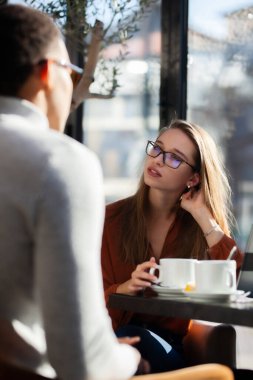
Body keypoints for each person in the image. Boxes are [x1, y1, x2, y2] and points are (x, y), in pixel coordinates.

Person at [0, 4, 143, 380]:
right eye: (72, 71)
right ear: (48, 72)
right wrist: (130, 361)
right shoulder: (58, 161)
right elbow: (81, 365)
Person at [101, 119, 244, 373]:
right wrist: (124, 289)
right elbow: (86, 299)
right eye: (157, 148)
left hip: (168, 348)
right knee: (129, 340)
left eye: (175, 158)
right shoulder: (109, 220)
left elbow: (231, 276)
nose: (157, 160)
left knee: (135, 341)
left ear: (193, 178)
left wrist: (201, 214)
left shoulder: (199, 227)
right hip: (110, 339)